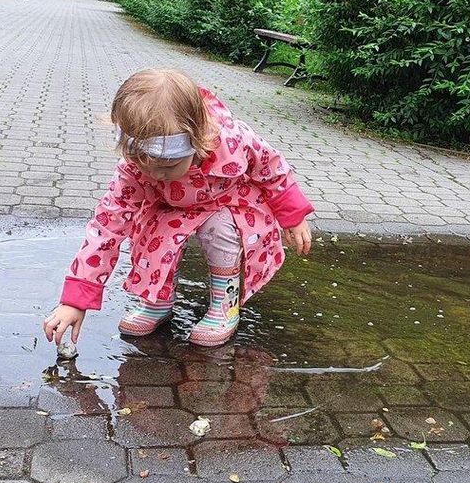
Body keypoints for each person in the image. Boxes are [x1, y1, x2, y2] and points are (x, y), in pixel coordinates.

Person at [43, 68, 314, 348]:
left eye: (168, 166)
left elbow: (272, 169)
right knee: (155, 232)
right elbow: (107, 225)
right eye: (143, 164)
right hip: (170, 207)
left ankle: (225, 303)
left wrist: (292, 216)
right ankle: (156, 299)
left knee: (219, 228)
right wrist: (75, 300)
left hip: (227, 202)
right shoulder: (136, 168)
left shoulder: (232, 141)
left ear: (197, 140)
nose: (156, 175)